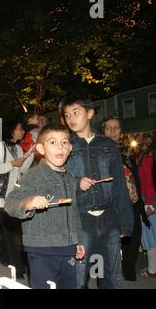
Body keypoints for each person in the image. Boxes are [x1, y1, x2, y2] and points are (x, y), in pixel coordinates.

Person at [60, 95, 133, 289]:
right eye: (67, 115)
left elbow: (119, 185)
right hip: (81, 219)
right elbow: (55, 180)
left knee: (113, 278)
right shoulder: (64, 145)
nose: (71, 118)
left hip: (109, 218)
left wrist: (125, 222)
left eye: (76, 112)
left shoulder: (108, 145)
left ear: (90, 113)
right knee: (78, 277)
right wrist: (76, 182)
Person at [5, 123, 85, 289]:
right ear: (41, 149)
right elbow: (10, 203)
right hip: (41, 249)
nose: (60, 147)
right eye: (53, 142)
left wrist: (78, 240)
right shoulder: (33, 175)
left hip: (67, 248)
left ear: (70, 148)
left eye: (64, 142)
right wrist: (28, 203)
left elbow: (74, 212)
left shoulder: (70, 177)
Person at [102, 116, 149, 281]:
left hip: (133, 201)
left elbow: (137, 175)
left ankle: (127, 272)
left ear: (121, 131)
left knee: (134, 235)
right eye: (109, 128)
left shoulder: (126, 151)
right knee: (113, 239)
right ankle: (111, 274)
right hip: (112, 202)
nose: (112, 131)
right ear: (103, 130)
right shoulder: (99, 151)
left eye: (116, 128)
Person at [0, 119, 33, 278]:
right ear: (12, 130)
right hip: (2, 196)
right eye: (20, 128)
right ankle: (18, 268)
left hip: (16, 195)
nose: (22, 132)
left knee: (11, 230)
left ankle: (0, 256)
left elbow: (22, 170)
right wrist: (12, 163)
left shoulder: (19, 148)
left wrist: (30, 156)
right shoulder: (1, 146)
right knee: (14, 233)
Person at [137, 135, 156, 278]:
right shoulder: (149, 158)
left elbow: (150, 184)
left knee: (149, 237)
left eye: (146, 142)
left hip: (149, 200)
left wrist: (149, 205)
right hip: (150, 200)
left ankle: (152, 270)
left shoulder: (147, 159)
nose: (143, 143)